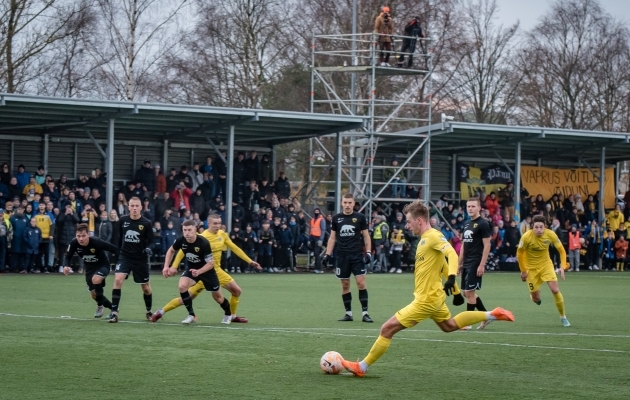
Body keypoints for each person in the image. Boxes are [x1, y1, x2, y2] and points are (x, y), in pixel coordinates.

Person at [341, 200, 514, 377]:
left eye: (409, 221)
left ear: (420, 221)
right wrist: (454, 291)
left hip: (426, 300)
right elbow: (442, 266)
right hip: (434, 297)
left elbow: (452, 254)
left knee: (386, 329)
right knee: (449, 325)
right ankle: (493, 314)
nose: (407, 225)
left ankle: (361, 367)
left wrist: (453, 277)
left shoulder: (433, 236)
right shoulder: (425, 239)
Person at [151, 214, 261, 324]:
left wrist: (249, 261)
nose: (218, 226)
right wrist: (174, 266)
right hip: (200, 271)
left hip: (216, 271)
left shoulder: (222, 234)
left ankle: (232, 315)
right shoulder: (202, 237)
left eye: (219, 223)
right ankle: (161, 312)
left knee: (236, 291)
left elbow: (234, 248)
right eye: (215, 223)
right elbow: (182, 251)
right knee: (186, 297)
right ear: (208, 224)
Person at [161, 220, 230, 324]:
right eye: (184, 230)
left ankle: (228, 314)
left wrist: (199, 271)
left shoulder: (203, 242)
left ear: (195, 230)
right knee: (182, 286)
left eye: (189, 230)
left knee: (218, 298)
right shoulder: (181, 240)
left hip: (207, 271)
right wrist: (166, 266)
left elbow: (210, 263)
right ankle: (191, 315)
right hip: (192, 269)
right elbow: (171, 250)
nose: (187, 233)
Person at [323, 193, 373, 323]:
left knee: (361, 283)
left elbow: (366, 236)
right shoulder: (336, 218)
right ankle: (348, 314)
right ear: (341, 203)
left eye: (350, 203)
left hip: (357, 255)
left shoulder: (360, 217)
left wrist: (368, 252)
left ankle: (365, 313)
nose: (347, 205)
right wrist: (327, 254)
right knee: (345, 285)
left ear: (353, 203)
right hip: (342, 256)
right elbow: (332, 237)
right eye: (345, 202)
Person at [516, 215, 571, 327]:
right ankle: (535, 297)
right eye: (536, 227)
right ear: (532, 227)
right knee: (536, 299)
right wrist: (523, 271)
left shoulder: (550, 234)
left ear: (545, 226)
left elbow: (561, 250)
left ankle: (563, 317)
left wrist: (562, 266)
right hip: (531, 269)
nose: (539, 230)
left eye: (541, 227)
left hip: (546, 265)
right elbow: (519, 253)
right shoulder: (526, 237)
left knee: (555, 290)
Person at [107, 197, 154, 323]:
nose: (134, 208)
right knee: (117, 280)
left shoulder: (146, 223)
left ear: (140, 207)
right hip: (125, 256)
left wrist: (149, 248)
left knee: (145, 288)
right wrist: (117, 254)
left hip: (140, 258)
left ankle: (149, 311)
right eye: (132, 206)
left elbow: (153, 241)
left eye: (136, 206)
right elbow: (118, 238)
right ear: (129, 207)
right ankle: (114, 312)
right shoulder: (123, 220)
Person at [62, 224, 118, 317]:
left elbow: (115, 249)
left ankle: (100, 306)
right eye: (78, 236)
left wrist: (120, 264)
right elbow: (67, 257)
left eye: (83, 236)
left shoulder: (96, 242)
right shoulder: (73, 243)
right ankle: (113, 308)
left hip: (103, 266)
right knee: (94, 295)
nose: (81, 239)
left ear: (88, 234)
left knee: (96, 279)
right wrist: (66, 266)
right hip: (89, 269)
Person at [457, 196, 492, 330]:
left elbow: (487, 245)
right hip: (466, 262)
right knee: (466, 293)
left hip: (475, 262)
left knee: (469, 293)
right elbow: (464, 246)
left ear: (479, 208)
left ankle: (467, 323)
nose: (470, 209)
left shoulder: (483, 223)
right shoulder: (466, 223)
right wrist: (459, 264)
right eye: (468, 206)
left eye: (473, 206)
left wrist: (482, 264)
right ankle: (486, 317)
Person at [309, 208, 326, 274]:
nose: (316, 212)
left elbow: (323, 230)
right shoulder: (312, 219)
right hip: (312, 237)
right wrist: (309, 239)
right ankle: (317, 268)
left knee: (316, 253)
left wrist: (321, 239)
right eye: (315, 211)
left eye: (317, 211)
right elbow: (311, 229)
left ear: (319, 212)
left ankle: (319, 268)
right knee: (316, 254)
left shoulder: (321, 220)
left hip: (318, 238)